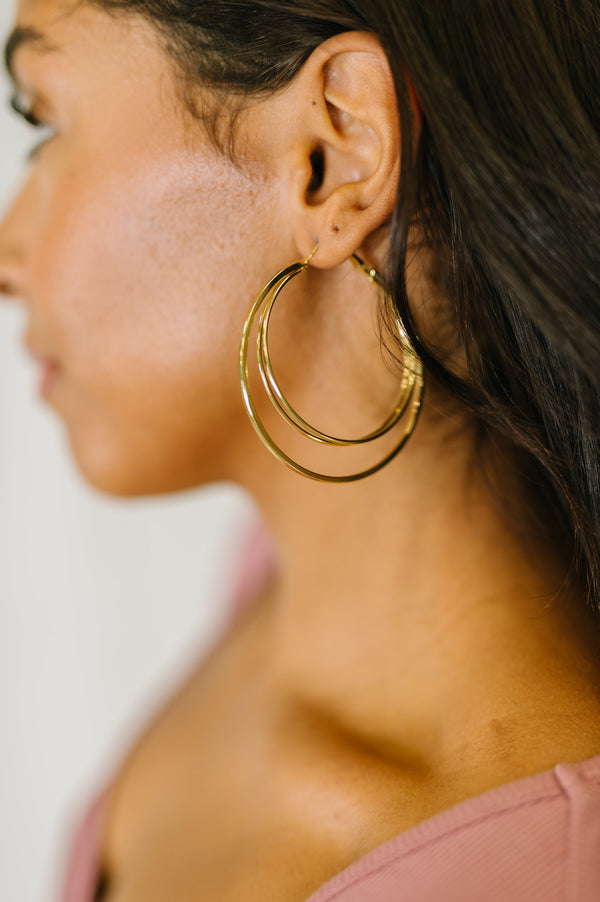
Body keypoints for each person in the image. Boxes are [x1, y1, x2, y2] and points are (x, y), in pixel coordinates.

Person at [1, 0, 600, 899]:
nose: (7, 248)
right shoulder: (277, 577)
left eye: (45, 122)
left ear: (337, 156)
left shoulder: (539, 870)